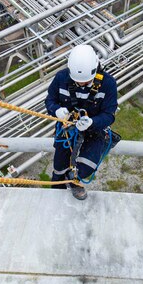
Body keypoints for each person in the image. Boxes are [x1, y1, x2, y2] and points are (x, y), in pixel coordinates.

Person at [45, 45, 118, 200]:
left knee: (86, 166)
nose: (81, 85)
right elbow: (50, 100)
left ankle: (74, 181)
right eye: (77, 82)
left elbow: (109, 115)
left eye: (85, 82)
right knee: (59, 165)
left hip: (94, 130)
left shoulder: (108, 84)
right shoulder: (61, 78)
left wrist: (92, 122)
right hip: (68, 127)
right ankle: (56, 187)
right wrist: (56, 110)